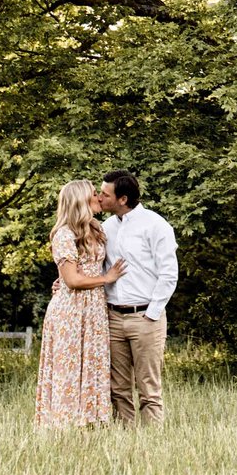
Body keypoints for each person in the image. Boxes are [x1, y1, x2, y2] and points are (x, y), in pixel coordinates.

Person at [32, 179, 124, 430]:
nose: (98, 197)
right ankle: (64, 424)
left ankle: (90, 422)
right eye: (93, 194)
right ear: (81, 201)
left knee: (93, 362)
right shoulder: (64, 234)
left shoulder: (95, 228)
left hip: (94, 308)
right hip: (71, 310)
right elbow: (72, 280)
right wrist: (106, 278)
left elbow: (75, 271)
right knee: (69, 366)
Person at [92, 169, 177, 426]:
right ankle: (124, 438)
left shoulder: (155, 225)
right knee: (117, 387)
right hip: (113, 317)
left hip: (145, 317)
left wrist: (152, 313)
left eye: (105, 194)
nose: (99, 198)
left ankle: (153, 442)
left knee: (148, 387)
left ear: (123, 199)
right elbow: (93, 266)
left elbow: (169, 273)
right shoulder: (105, 228)